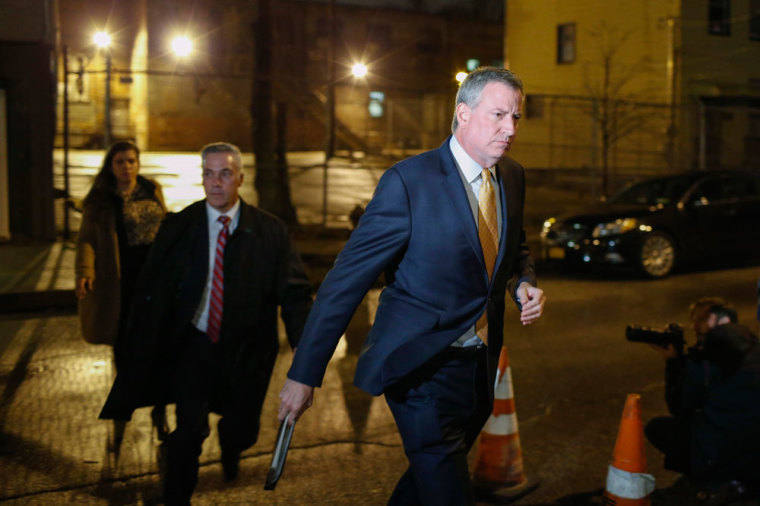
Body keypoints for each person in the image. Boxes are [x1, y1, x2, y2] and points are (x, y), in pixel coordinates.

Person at [278, 67, 546, 505]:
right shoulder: (408, 182)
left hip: (478, 366)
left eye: (516, 117)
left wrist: (524, 283)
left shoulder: (512, 177)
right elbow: (345, 282)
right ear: (463, 113)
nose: (510, 128)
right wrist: (305, 373)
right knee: (447, 488)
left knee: (429, 482)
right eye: (498, 115)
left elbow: (514, 248)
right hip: (419, 369)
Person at [98, 142, 313, 505]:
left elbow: (294, 294)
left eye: (225, 174)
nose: (216, 183)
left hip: (247, 351)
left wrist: (305, 352)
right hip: (193, 347)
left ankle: (232, 446)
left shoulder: (270, 233)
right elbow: (153, 290)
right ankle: (177, 497)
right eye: (209, 174)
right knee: (188, 432)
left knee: (241, 427)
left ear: (240, 178)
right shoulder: (180, 227)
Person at [74, 140, 168, 438]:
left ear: (138, 163)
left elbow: (164, 224)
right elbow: (87, 239)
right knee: (124, 344)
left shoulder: (152, 189)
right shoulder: (101, 199)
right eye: (120, 162)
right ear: (110, 166)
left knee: (157, 343)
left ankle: (160, 408)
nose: (126, 167)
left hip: (154, 277)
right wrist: (85, 271)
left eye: (131, 161)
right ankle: (124, 403)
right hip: (121, 280)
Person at [645, 298, 760, 501]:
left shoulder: (705, 359)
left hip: (721, 453)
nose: (695, 328)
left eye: (699, 322)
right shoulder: (755, 347)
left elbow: (680, 407)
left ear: (715, 319)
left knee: (659, 428)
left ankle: (714, 479)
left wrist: (673, 362)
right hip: (754, 451)